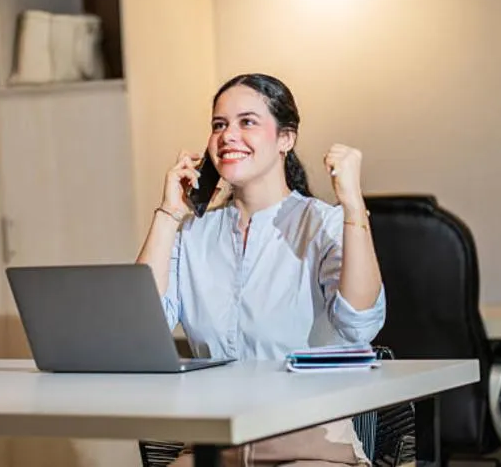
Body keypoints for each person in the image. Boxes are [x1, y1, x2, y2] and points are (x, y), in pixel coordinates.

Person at [136, 73, 386, 466]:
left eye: (247, 122)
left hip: (310, 442)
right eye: (219, 125)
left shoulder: (323, 223)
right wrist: (169, 213)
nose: (228, 136)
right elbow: (142, 329)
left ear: (286, 138)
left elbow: (360, 324)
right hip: (214, 442)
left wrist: (353, 205)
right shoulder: (193, 233)